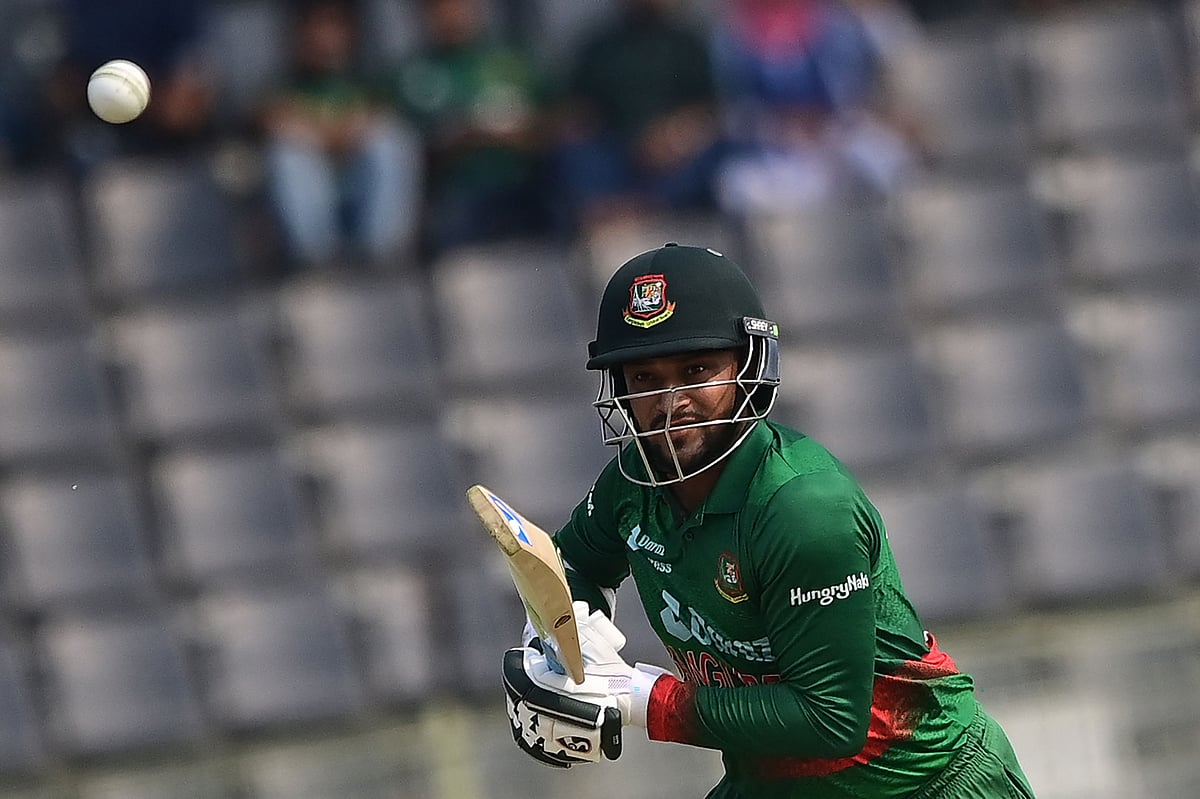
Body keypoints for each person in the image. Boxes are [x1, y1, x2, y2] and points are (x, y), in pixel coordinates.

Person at [501, 243, 1036, 798]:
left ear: (748, 367)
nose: (669, 402)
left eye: (697, 369)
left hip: (920, 782)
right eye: (644, 378)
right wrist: (567, 643)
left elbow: (830, 721)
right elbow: (569, 564)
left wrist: (636, 697)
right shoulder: (632, 483)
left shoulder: (802, 508)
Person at [259, 0, 421, 269]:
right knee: (288, 154)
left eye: (333, 27)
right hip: (315, 195)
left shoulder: (369, 84)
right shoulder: (281, 87)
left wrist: (322, 133)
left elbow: (380, 118)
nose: (324, 38)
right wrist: (338, 135)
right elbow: (272, 120)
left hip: (358, 190)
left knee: (390, 141)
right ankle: (316, 259)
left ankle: (380, 254)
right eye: (316, 28)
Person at [385, 0, 550, 258]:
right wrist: (463, 138)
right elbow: (407, 153)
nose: (452, 15)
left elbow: (556, 123)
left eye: (460, 5)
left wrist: (518, 133)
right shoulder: (410, 76)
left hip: (523, 186)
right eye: (440, 7)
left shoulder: (512, 61)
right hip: (456, 198)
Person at [551, 0, 728, 235]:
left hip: (674, 146)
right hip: (614, 146)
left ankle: (648, 207)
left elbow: (709, 109)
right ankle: (608, 210)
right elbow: (577, 109)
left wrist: (672, 136)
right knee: (574, 156)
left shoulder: (688, 43)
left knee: (719, 154)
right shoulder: (601, 45)